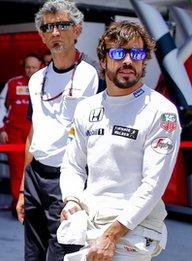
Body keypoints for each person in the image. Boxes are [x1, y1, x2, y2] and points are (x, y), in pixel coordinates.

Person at [59, 21, 181, 261]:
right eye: (118, 53)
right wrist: (71, 200)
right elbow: (72, 164)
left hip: (133, 227)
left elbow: (153, 184)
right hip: (89, 223)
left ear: (144, 60)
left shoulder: (160, 111)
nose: (128, 60)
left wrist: (112, 235)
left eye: (136, 53)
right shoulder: (86, 108)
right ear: (103, 61)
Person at [15, 0, 102, 260]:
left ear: (77, 30)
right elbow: (33, 134)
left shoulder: (93, 75)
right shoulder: (36, 79)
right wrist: (22, 188)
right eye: (48, 27)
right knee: (33, 253)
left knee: (63, 252)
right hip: (35, 177)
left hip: (69, 179)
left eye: (63, 25)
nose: (55, 32)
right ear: (41, 35)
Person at [0, 53, 42, 216]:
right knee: (17, 170)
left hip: (37, 133)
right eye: (28, 67)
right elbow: (0, 105)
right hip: (14, 134)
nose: (31, 70)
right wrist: (1, 128)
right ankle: (18, 203)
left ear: (40, 67)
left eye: (34, 67)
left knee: (36, 169)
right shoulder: (13, 83)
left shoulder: (45, 82)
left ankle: (35, 204)